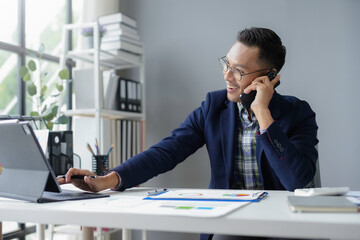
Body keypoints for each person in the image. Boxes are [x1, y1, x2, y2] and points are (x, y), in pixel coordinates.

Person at [58, 27, 319, 240]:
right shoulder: (213, 108)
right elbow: (166, 151)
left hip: (283, 223)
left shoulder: (298, 113)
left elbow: (296, 180)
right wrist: (108, 179)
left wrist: (263, 113)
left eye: (238, 71)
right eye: (226, 64)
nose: (227, 75)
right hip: (233, 222)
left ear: (270, 77)